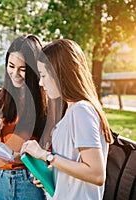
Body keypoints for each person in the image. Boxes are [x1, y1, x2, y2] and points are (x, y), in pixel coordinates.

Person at [20, 39, 114, 199]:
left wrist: (45, 155)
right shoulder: (70, 111)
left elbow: (97, 174)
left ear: (59, 74)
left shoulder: (81, 110)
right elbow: (76, 166)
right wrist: (50, 174)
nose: (41, 83)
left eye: (43, 75)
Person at [0, 35, 47, 200]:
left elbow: (50, 149)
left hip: (31, 180)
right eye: (11, 66)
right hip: (0, 179)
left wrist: (19, 155)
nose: (15, 73)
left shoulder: (46, 102)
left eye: (23, 69)